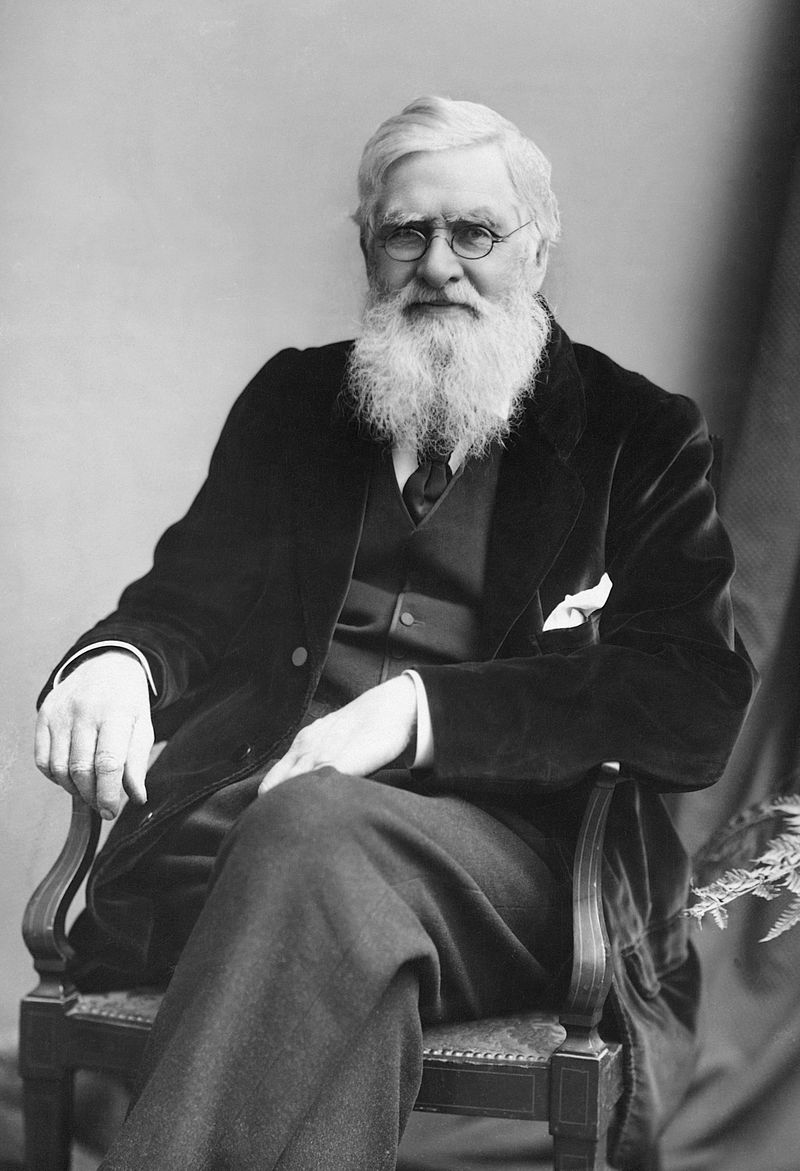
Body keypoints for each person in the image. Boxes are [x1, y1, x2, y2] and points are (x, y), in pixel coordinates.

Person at [34, 96, 755, 1170]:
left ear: (538, 247)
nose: (438, 264)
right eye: (405, 232)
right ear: (366, 248)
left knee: (317, 835)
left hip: (510, 876)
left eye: (476, 233)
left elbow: (688, 697)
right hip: (246, 843)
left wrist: (420, 712)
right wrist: (114, 664)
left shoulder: (636, 435)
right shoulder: (292, 405)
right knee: (320, 890)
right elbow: (180, 602)